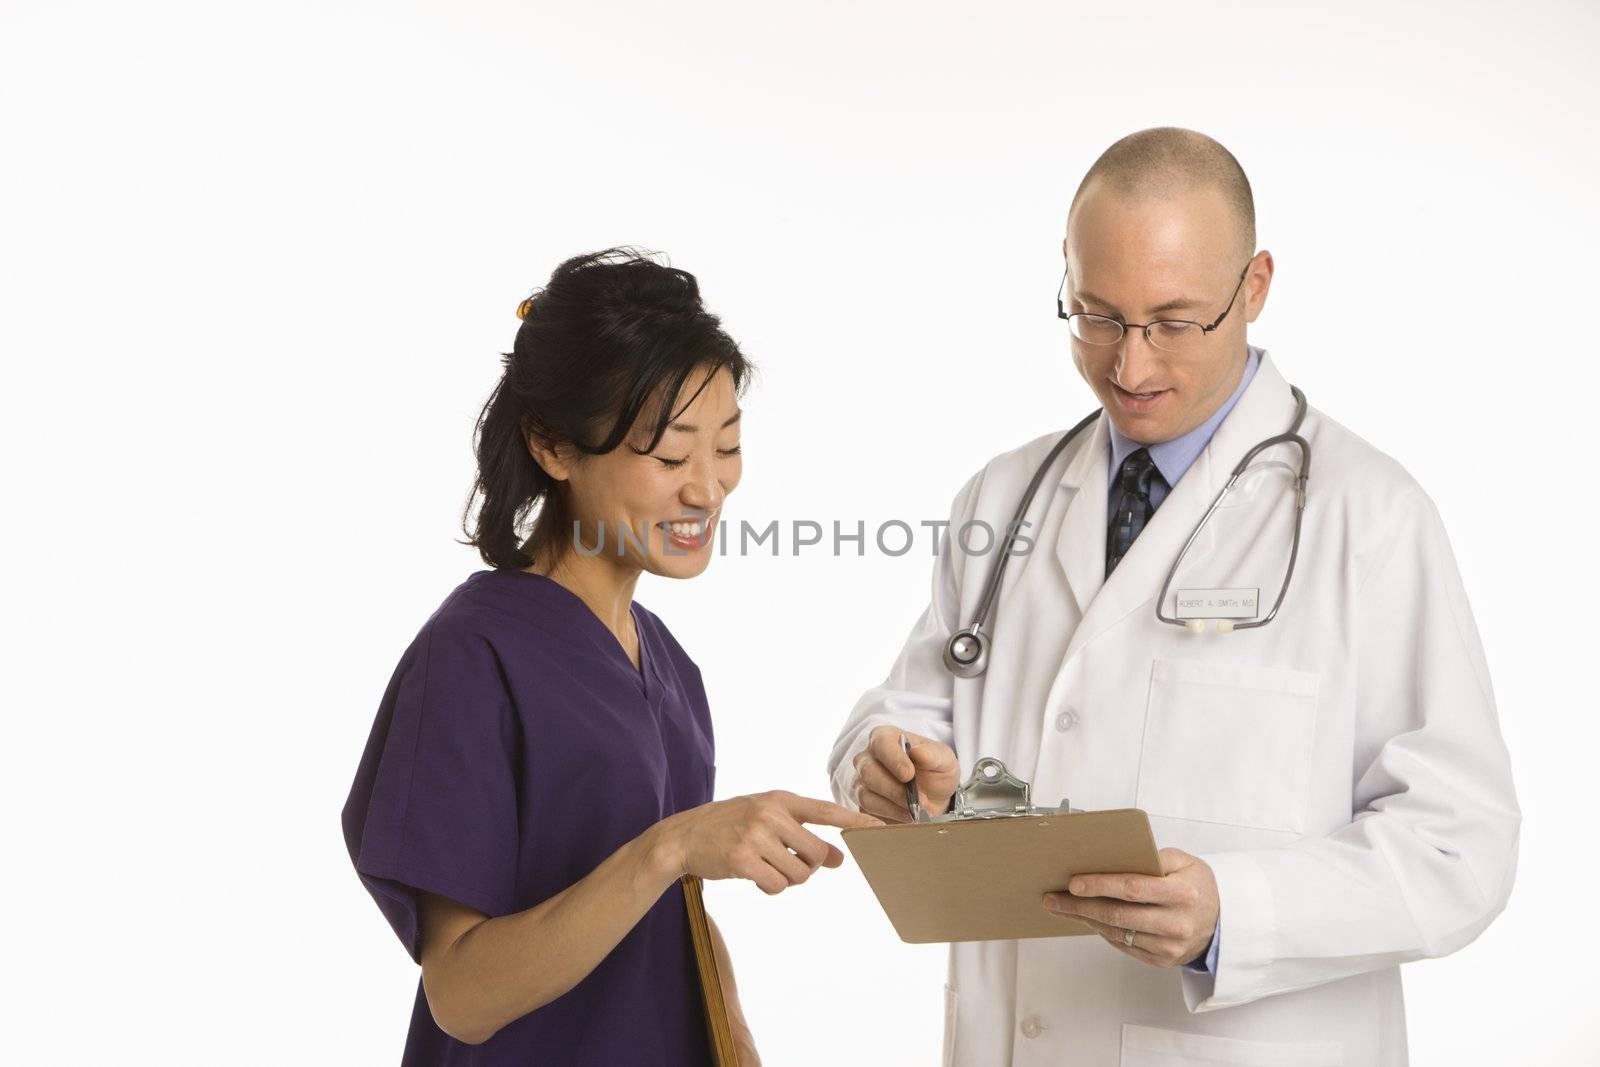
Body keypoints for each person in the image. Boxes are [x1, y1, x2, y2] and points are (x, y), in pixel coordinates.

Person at [827, 128, 1519, 1065]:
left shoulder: (1370, 516)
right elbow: (916, 706)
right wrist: (888, 762)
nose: (1130, 364)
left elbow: (1457, 847)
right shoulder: (1004, 495)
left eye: (1174, 321)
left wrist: (1235, 912)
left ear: (1256, 286)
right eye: (1097, 316)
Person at [343, 247, 880, 1065]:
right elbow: (462, 994)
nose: (706, 488)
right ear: (554, 446)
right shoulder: (472, 655)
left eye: (726, 446)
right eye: (669, 457)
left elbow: (671, 917)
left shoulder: (667, 664)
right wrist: (672, 845)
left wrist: (738, 1042)